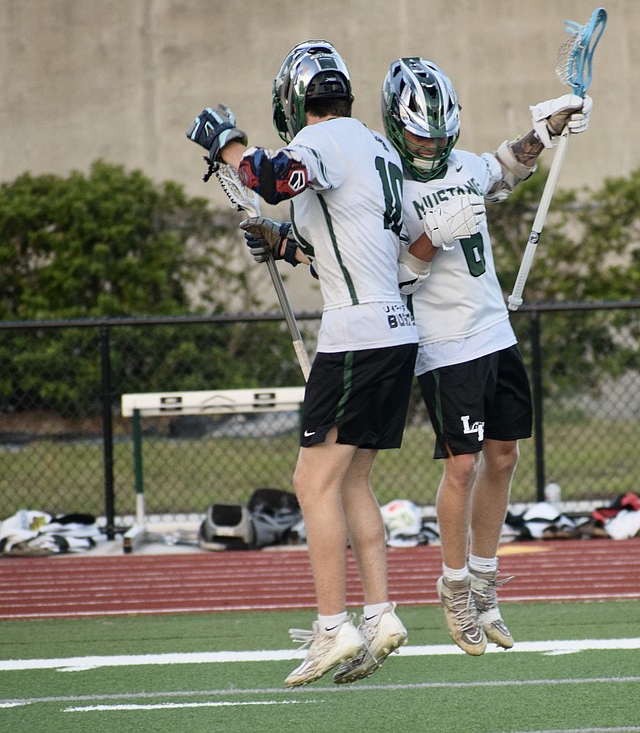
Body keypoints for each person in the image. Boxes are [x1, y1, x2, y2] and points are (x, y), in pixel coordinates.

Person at [186, 42, 484, 686]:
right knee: (351, 482)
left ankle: (332, 625)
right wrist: (286, 245)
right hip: (395, 332)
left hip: (353, 337)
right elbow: (371, 248)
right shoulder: (377, 149)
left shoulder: (326, 143)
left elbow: (268, 178)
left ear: (296, 100)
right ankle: (380, 614)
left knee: (311, 482)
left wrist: (228, 144)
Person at [381, 57, 592, 654]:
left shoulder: (460, 163)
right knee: (462, 465)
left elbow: (502, 169)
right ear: (398, 128)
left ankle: (483, 581)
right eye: (422, 133)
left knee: (504, 456)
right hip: (446, 344)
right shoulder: (389, 186)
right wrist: (430, 239)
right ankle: (453, 587)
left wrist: (547, 129)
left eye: (441, 131)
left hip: (494, 330)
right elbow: (389, 277)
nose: (433, 143)